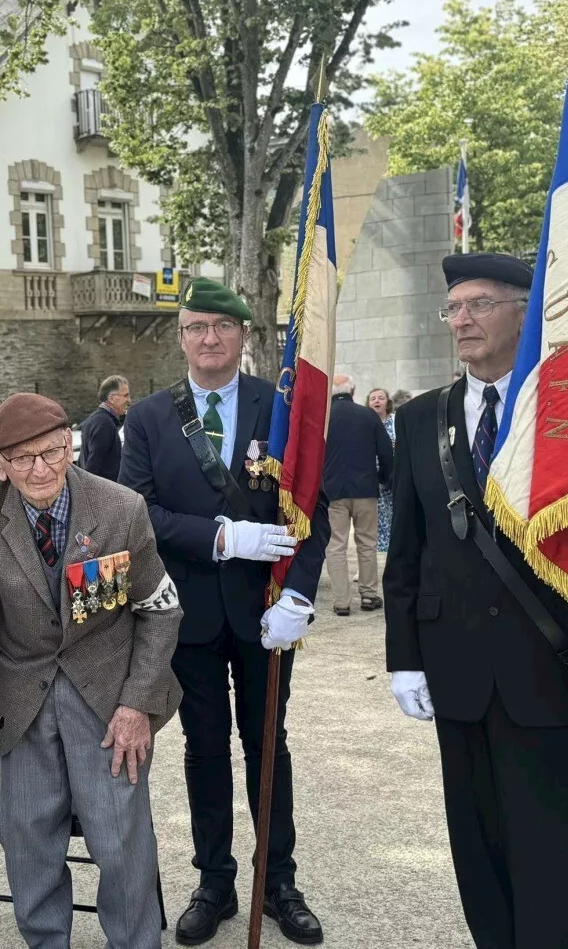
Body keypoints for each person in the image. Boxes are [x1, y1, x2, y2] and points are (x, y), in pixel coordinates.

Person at [384, 253, 568, 949]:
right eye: (452, 308)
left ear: (524, 312)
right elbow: (408, 553)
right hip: (455, 668)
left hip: (550, 662)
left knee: (550, 842)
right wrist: (404, 658)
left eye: (479, 304)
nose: (462, 321)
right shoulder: (421, 418)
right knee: (477, 847)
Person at [118, 278, 330, 946]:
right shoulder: (151, 417)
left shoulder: (280, 407)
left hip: (265, 612)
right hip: (188, 615)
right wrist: (217, 536)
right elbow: (137, 512)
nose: (209, 339)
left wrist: (300, 594)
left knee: (270, 746)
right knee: (203, 749)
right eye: (196, 327)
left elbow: (311, 507)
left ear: (244, 335)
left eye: (223, 327)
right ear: (180, 337)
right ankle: (215, 880)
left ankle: (278, 880)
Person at [0, 392, 182, 949]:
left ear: (70, 445)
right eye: (22, 459)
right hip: (19, 699)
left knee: (120, 842)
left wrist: (138, 704)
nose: (41, 468)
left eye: (52, 452)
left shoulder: (121, 508)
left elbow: (161, 610)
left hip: (108, 698)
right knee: (28, 842)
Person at [322, 375, 394, 616]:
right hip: (365, 489)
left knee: (336, 546)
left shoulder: (324, 418)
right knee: (367, 543)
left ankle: (342, 601)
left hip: (333, 491)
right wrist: (384, 478)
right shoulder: (368, 416)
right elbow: (386, 453)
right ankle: (369, 594)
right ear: (353, 390)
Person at [79, 375, 131, 481]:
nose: (129, 400)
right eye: (126, 396)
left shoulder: (95, 419)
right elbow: (93, 466)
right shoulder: (104, 424)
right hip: (103, 493)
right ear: (112, 398)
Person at [367, 388, 397, 553]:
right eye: (373, 398)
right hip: (374, 479)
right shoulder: (365, 422)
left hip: (394, 477)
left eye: (381, 398)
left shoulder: (396, 421)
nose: (377, 401)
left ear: (388, 402)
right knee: (377, 519)